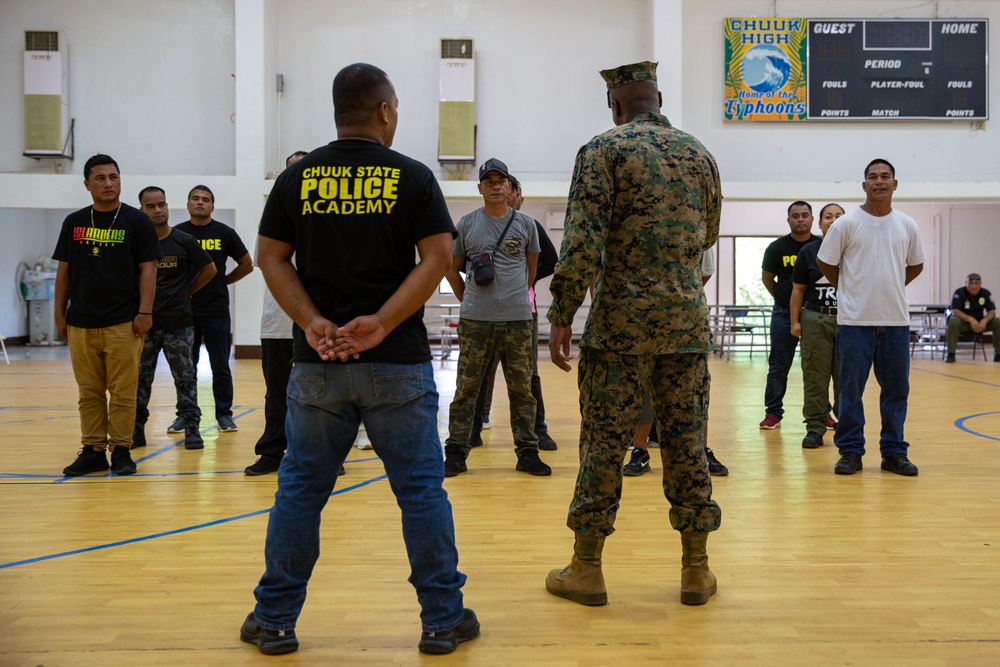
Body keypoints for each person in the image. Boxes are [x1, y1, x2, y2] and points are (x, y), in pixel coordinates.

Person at [244, 63, 477, 656]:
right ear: (384, 111)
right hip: (395, 362)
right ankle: (441, 619)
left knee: (299, 490)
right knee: (421, 491)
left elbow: (269, 258)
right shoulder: (414, 177)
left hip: (317, 362)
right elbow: (437, 259)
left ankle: (274, 619)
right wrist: (383, 323)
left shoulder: (298, 179)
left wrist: (311, 321)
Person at [545, 61, 722, 607]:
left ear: (614, 105)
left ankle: (587, 569)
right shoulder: (700, 155)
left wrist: (561, 313)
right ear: (659, 99)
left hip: (619, 326)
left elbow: (581, 243)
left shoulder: (603, 151)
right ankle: (696, 569)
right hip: (687, 325)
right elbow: (709, 234)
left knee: (603, 442)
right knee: (688, 443)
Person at [54, 154, 162, 476]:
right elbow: (64, 271)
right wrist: (60, 315)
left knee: (123, 391)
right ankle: (93, 450)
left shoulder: (136, 220)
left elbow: (149, 269)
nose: (108, 183)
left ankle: (122, 450)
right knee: (88, 392)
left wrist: (145, 311)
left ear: (120, 180)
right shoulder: (74, 222)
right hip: (81, 322)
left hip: (123, 322)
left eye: (113, 177)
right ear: (87, 184)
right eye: (100, 178)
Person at [441, 158, 550, 477]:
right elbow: (452, 266)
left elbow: (531, 269)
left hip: (517, 320)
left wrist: (513, 296)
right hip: (476, 321)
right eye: (488, 181)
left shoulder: (526, 224)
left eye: (500, 179)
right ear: (480, 188)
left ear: (509, 185)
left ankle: (527, 452)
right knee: (466, 388)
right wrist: (469, 300)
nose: (495, 185)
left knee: (522, 388)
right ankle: (457, 452)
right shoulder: (467, 223)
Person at [817, 159, 925, 476]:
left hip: (895, 323)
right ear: (864, 185)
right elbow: (827, 262)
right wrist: (849, 287)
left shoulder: (907, 225)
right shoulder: (846, 223)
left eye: (885, 176)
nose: (879, 181)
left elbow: (916, 265)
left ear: (895, 184)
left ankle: (893, 453)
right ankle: (850, 452)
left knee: (895, 391)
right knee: (851, 392)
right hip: (854, 323)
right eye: (873, 177)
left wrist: (891, 284)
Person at [246, 150, 349, 477]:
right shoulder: (273, 220)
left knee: (326, 394)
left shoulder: (332, 220)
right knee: (276, 395)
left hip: (322, 325)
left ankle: (330, 455)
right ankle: (272, 451)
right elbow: (264, 260)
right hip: (278, 325)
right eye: (291, 171)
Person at [467, 175, 559, 452]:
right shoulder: (474, 224)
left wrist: (522, 282)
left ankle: (537, 429)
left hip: (521, 312)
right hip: (483, 312)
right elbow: (462, 262)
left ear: (517, 194)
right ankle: (476, 423)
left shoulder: (528, 225)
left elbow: (550, 261)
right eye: (491, 183)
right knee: (480, 372)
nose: (502, 191)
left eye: (508, 187)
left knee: (527, 374)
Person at [624, 249, 727, 476]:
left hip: (686, 320)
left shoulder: (696, 219)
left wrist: (678, 295)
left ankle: (701, 451)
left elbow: (704, 272)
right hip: (643, 320)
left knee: (695, 388)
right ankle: (639, 451)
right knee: (644, 388)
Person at [133, 187, 216, 451]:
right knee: (140, 379)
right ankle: (136, 430)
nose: (157, 210)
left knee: (185, 377)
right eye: (150, 206)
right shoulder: (136, 243)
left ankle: (192, 427)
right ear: (141, 210)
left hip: (179, 324)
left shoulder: (184, 240)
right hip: (144, 325)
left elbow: (210, 268)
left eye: (162, 204)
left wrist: (188, 290)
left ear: (168, 206)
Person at [174, 186, 253, 433]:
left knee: (220, 365)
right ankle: (185, 415)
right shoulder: (177, 233)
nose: (200, 203)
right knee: (187, 367)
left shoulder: (224, 233)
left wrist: (223, 281)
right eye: (195, 199)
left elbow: (247, 265)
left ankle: (224, 414)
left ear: (212, 206)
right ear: (187, 204)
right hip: (185, 311)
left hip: (217, 309)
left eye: (205, 200)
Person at [759, 202, 822, 429]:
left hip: (816, 315)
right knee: (778, 366)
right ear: (788, 220)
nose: (800, 219)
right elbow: (767, 278)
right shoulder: (777, 248)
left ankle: (821, 412)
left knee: (818, 368)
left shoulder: (821, 246)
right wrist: (782, 299)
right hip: (784, 315)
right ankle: (773, 413)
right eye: (795, 216)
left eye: (805, 215)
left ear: (812, 219)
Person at [790, 203, 844, 449]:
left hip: (848, 321)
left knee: (846, 379)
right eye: (828, 217)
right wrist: (794, 322)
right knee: (815, 378)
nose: (832, 221)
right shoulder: (809, 252)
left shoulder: (855, 249)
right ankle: (814, 428)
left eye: (838, 217)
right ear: (820, 223)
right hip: (815, 319)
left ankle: (846, 428)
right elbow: (798, 289)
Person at [945, 273, 1000, 363]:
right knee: (953, 322)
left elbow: (992, 311)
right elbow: (955, 311)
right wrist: (971, 320)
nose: (973, 286)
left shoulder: (986, 293)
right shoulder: (959, 293)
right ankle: (951, 354)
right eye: (970, 283)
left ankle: (998, 354)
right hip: (964, 324)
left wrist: (984, 321)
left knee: (998, 322)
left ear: (980, 284)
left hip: (980, 325)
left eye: (976, 283)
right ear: (966, 283)